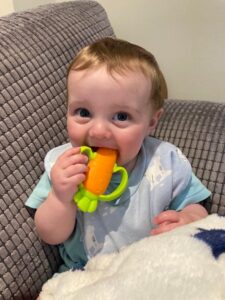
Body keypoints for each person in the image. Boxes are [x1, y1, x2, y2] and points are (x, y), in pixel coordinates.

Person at [26, 37, 211, 272]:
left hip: (152, 268)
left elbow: (196, 204)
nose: (99, 131)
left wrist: (189, 219)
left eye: (121, 117)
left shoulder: (164, 163)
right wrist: (61, 198)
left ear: (151, 122)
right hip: (85, 273)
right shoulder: (63, 166)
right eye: (83, 112)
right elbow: (50, 235)